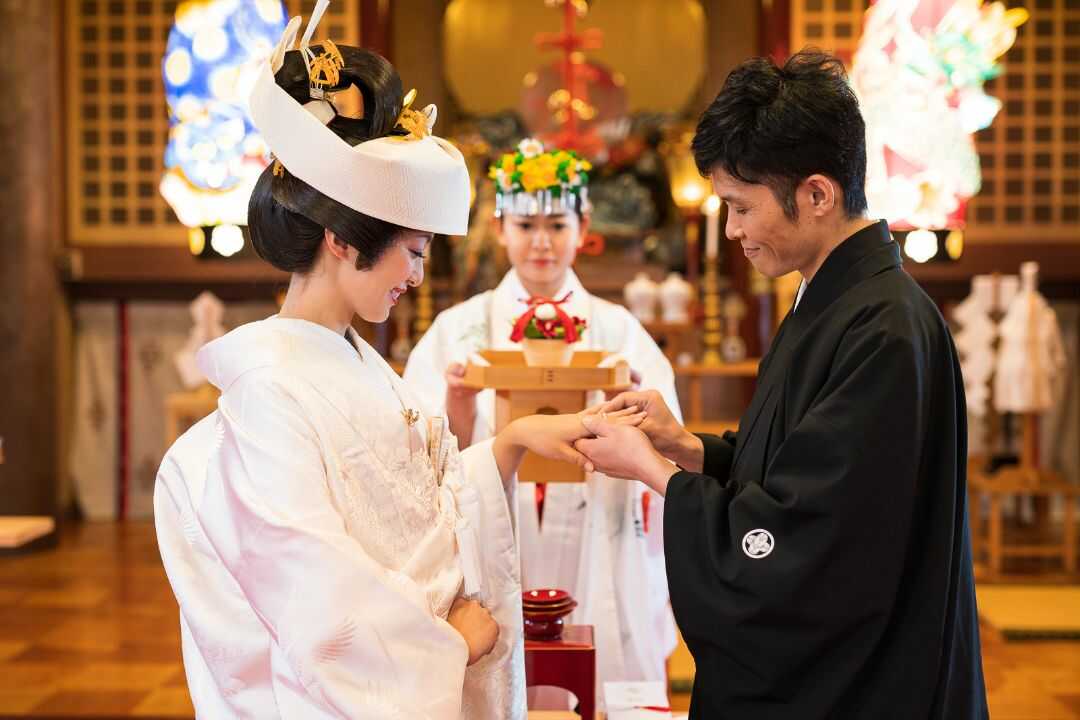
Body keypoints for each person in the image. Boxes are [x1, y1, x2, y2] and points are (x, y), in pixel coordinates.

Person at [153, 10, 643, 719]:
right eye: (412, 252)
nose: (416, 275)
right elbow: (314, 596)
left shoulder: (358, 364)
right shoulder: (271, 391)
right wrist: (451, 645)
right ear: (342, 241)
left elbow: (421, 514)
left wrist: (504, 446)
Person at [575, 50, 988, 719]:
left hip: (867, 685)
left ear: (818, 194)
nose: (732, 230)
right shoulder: (829, 300)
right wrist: (688, 448)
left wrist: (656, 475)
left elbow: (806, 539)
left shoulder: (885, 329)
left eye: (741, 207)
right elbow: (797, 466)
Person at [403, 138, 679, 705]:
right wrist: (457, 404)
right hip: (499, 527)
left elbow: (663, 434)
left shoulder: (620, 329)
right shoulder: (458, 329)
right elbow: (417, 449)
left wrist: (632, 410)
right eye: (526, 225)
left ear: (583, 227)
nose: (542, 242)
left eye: (557, 223)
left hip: (595, 522)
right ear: (501, 229)